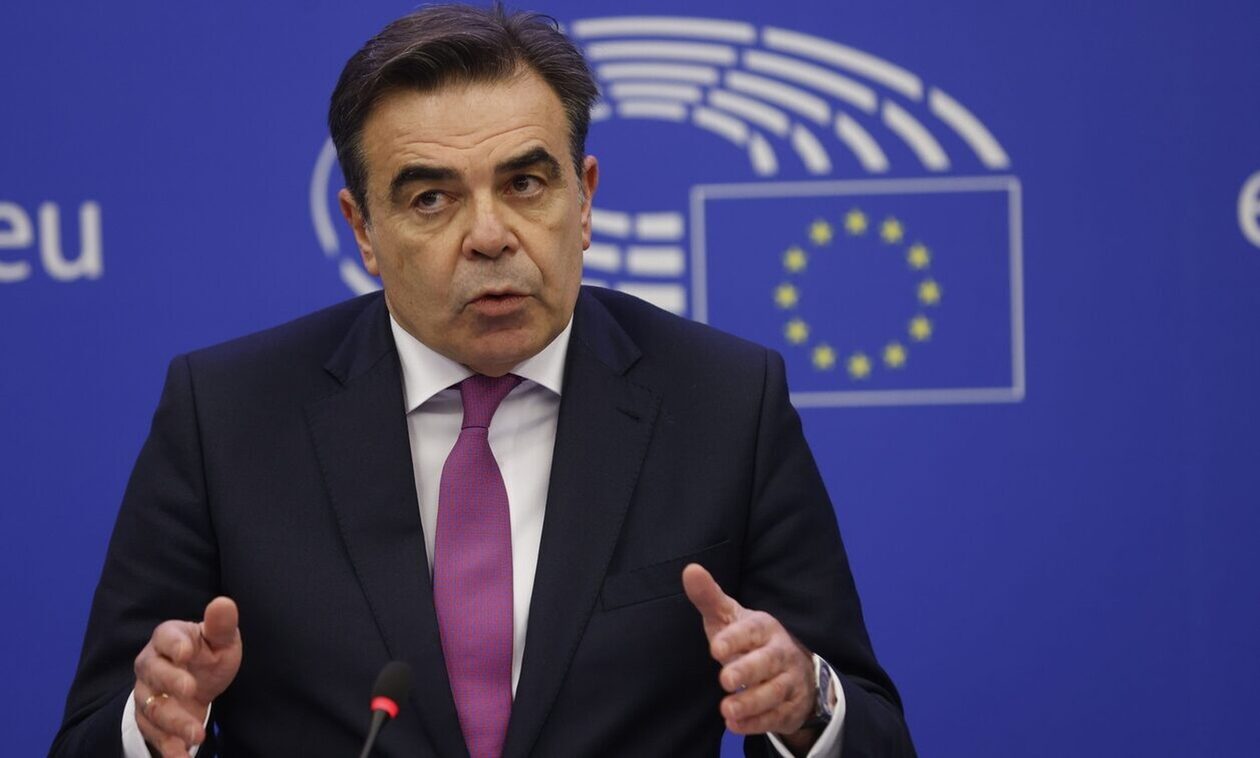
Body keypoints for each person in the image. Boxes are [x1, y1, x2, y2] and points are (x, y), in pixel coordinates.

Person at [51, 5, 915, 757]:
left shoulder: (724, 402)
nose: (491, 236)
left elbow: (874, 730)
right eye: (431, 199)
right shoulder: (227, 416)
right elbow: (93, 732)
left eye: (526, 183)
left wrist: (805, 702)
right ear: (363, 230)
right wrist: (155, 722)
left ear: (584, 200)